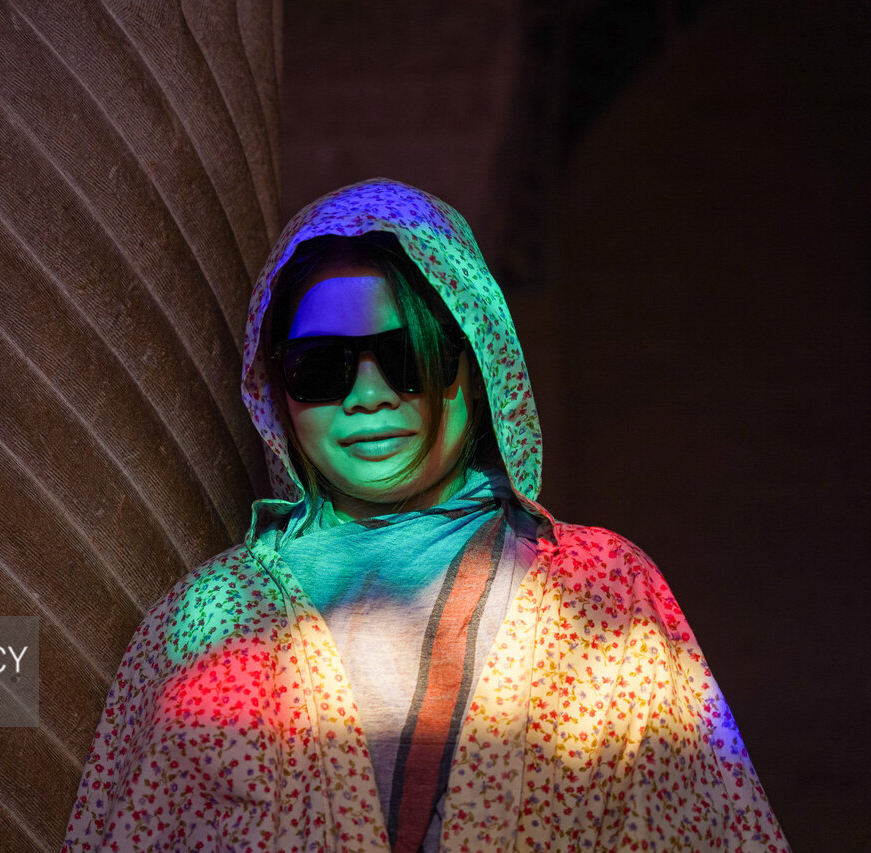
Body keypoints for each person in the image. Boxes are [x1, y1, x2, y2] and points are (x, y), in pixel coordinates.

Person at [63, 179, 787, 852]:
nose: (368, 396)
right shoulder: (206, 616)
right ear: (274, 390)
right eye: (321, 368)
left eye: (406, 356)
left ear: (476, 362)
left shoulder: (604, 590)